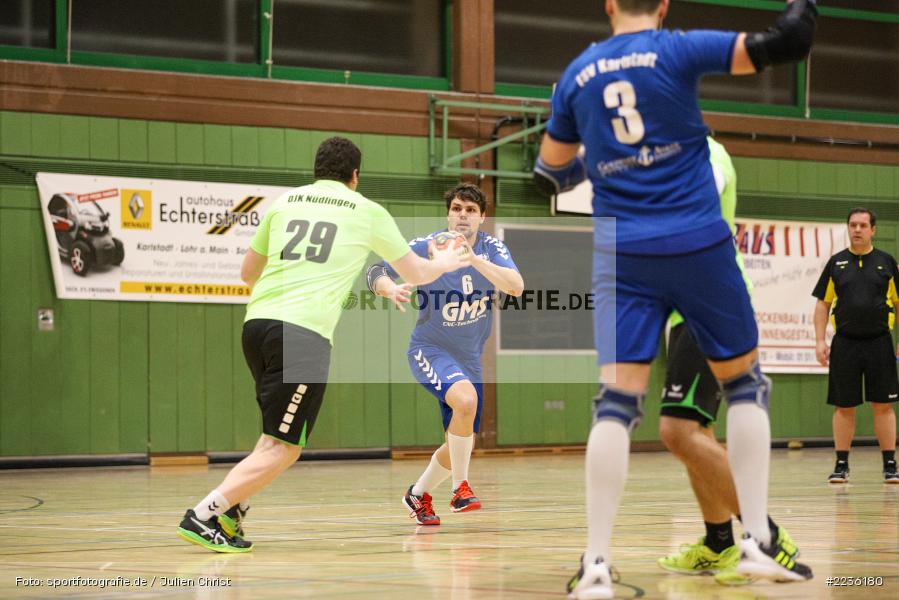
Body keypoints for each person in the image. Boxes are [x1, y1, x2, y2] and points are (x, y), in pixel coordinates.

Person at [533, 0, 817, 596]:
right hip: (697, 245)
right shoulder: (678, 48)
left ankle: (596, 565)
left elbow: (550, 172)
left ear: (607, 5)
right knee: (744, 385)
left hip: (624, 254)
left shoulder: (577, 73)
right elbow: (783, 43)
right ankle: (757, 544)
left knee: (616, 401)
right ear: (662, 5)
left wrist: (606, 157)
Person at [175, 137, 470, 552]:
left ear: (317, 170)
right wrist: (445, 261)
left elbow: (247, 273)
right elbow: (417, 272)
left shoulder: (284, 203)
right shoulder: (366, 211)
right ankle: (204, 514)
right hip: (302, 334)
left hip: (257, 326)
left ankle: (230, 511)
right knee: (285, 448)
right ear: (355, 176)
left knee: (273, 438)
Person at [656, 138, 797, 584]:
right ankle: (719, 543)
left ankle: (769, 537)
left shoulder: (701, 150)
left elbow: (704, 189)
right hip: (684, 311)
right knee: (697, 432)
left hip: (711, 305)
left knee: (677, 431)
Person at [366, 183, 523, 525]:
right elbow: (374, 271)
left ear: (482, 217)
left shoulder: (492, 248)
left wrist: (474, 258)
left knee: (457, 443)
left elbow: (516, 286)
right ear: (448, 214)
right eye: (456, 208)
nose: (462, 214)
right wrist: (390, 288)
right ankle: (461, 489)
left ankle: (418, 494)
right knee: (466, 403)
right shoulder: (426, 246)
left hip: (469, 358)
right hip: (430, 348)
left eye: (470, 209)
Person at [812, 207, 899, 485]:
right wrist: (818, 340)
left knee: (882, 405)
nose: (857, 230)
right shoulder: (836, 263)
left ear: (873, 229)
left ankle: (890, 464)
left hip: (880, 343)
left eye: (863, 225)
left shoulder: (887, 262)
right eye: (853, 225)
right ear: (847, 228)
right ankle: (841, 464)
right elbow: (822, 305)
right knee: (843, 406)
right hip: (845, 344)